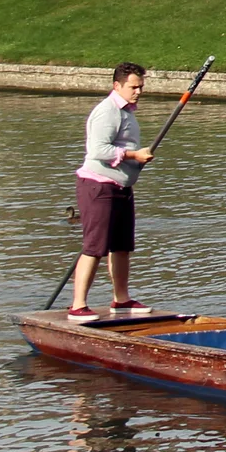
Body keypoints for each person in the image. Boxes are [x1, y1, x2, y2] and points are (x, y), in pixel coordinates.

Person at [68, 63, 155, 319]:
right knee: (95, 247)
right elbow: (97, 150)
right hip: (98, 186)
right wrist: (132, 154)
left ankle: (122, 300)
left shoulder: (127, 112)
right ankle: (78, 305)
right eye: (133, 87)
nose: (138, 92)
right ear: (117, 86)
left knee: (121, 246)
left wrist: (137, 160)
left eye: (141, 87)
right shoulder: (107, 112)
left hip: (122, 187)